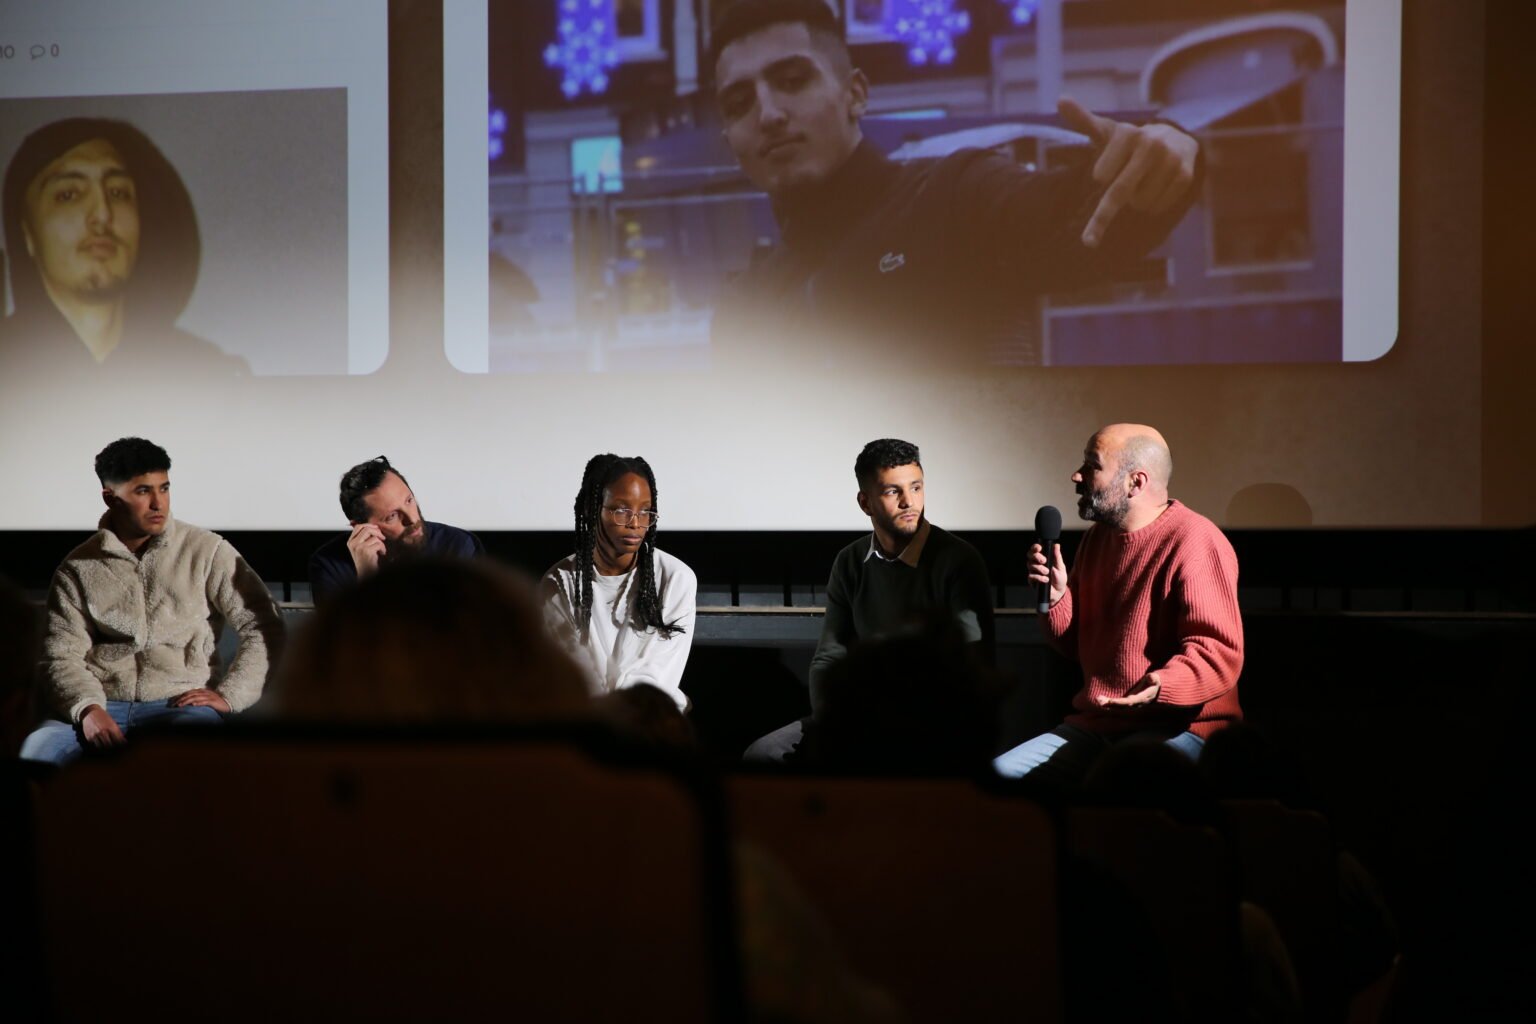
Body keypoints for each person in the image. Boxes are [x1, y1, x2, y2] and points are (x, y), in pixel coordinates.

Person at [707, 0, 1201, 367]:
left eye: (793, 80)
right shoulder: (748, 306)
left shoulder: (952, 197)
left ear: (855, 93)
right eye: (739, 104)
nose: (768, 113)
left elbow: (1071, 217)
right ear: (730, 138)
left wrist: (1165, 154)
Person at [993, 423, 1243, 786]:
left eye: (1092, 465)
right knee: (994, 782)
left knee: (1118, 782)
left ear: (1135, 482)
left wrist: (1159, 686)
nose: (1076, 475)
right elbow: (1071, 646)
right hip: (1097, 728)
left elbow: (1218, 653)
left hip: (1179, 728)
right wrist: (1059, 598)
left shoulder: (1195, 540)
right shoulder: (1098, 540)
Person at [19, 437, 283, 766]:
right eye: (143, 491)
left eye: (164, 488)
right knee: (38, 751)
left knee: (196, 756)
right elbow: (59, 655)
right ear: (110, 497)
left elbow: (263, 623)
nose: (159, 503)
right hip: (101, 702)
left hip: (180, 703)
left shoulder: (206, 550)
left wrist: (231, 696)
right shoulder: (78, 567)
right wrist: (87, 709)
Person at [744, 437, 994, 762]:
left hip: (931, 723)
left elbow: (973, 667)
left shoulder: (957, 560)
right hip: (861, 716)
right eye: (893, 491)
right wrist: (833, 718)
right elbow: (827, 658)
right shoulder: (850, 561)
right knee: (762, 755)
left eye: (916, 488)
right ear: (865, 503)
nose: (909, 501)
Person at [0, 117, 245, 373]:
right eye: (69, 194)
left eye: (118, 193)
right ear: (26, 232)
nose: (103, 214)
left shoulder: (208, 376)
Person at [541, 454, 697, 712]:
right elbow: (574, 678)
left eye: (645, 511)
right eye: (621, 510)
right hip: (587, 719)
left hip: (651, 719)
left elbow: (657, 677)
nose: (635, 523)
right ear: (593, 510)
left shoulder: (675, 578)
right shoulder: (560, 582)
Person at [307, 455, 485, 607]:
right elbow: (343, 642)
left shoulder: (457, 545)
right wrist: (368, 577)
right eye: (392, 516)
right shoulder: (330, 564)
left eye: (409, 500)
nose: (412, 519)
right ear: (360, 527)